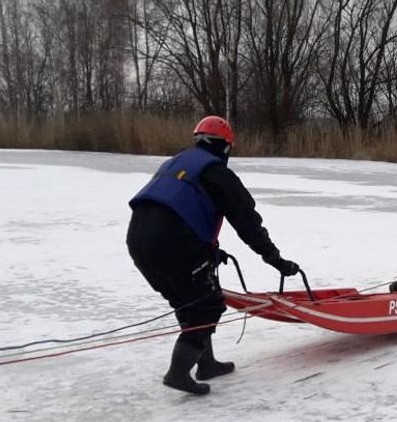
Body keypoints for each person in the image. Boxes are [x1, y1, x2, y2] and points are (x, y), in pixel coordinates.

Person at [127, 115, 300, 395]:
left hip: (138, 241)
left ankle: (205, 363)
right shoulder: (216, 172)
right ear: (226, 147)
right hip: (173, 243)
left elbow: (176, 209)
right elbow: (247, 221)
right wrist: (274, 258)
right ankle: (178, 373)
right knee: (206, 306)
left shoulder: (176, 162)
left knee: (189, 302)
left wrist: (207, 251)